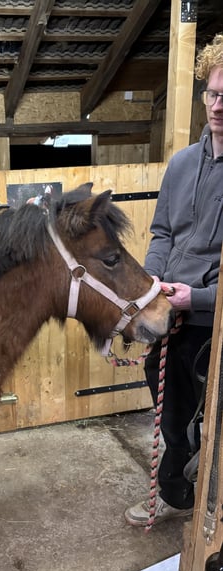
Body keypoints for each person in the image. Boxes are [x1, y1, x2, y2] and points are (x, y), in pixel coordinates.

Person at [125, 33, 223, 527]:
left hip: (212, 323)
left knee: (207, 422)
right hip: (172, 311)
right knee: (172, 414)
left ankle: (203, 498)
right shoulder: (182, 163)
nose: (218, 106)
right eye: (213, 93)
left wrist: (199, 298)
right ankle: (179, 492)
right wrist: (154, 278)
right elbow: (163, 231)